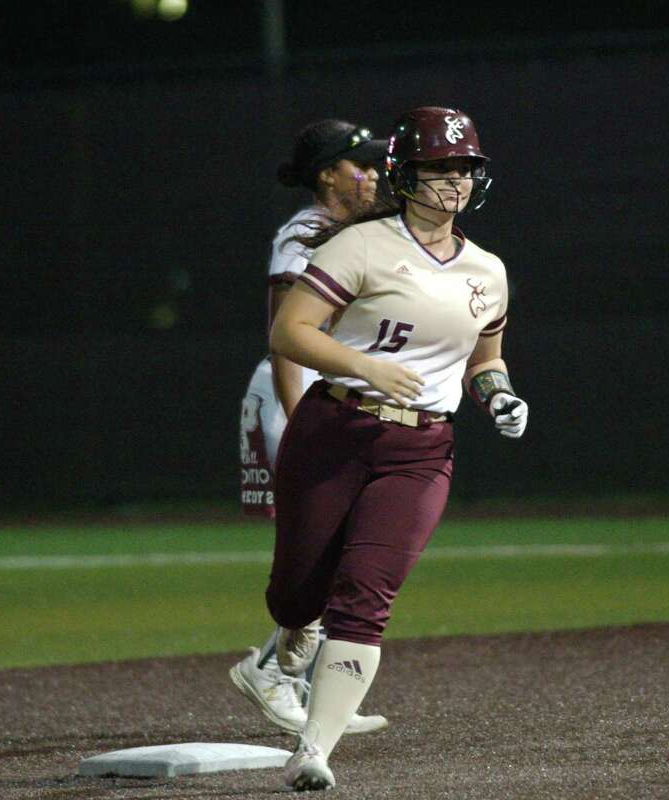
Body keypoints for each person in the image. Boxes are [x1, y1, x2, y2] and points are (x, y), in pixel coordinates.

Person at [266, 106, 529, 791]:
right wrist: (366, 367)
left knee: (367, 595)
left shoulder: (488, 270)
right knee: (296, 597)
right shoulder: (358, 246)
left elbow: (485, 361)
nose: (455, 180)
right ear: (404, 173)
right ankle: (289, 636)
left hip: (421, 450)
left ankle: (313, 750)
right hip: (334, 431)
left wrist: (499, 396)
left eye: (466, 168)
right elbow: (290, 332)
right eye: (440, 167)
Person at [232, 118, 392, 737]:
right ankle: (272, 672)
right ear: (326, 175)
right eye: (359, 165)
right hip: (293, 397)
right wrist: (303, 425)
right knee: (326, 550)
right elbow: (285, 345)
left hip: (326, 399)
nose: (373, 173)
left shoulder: (356, 230)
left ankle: (308, 688)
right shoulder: (304, 233)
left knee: (348, 550)